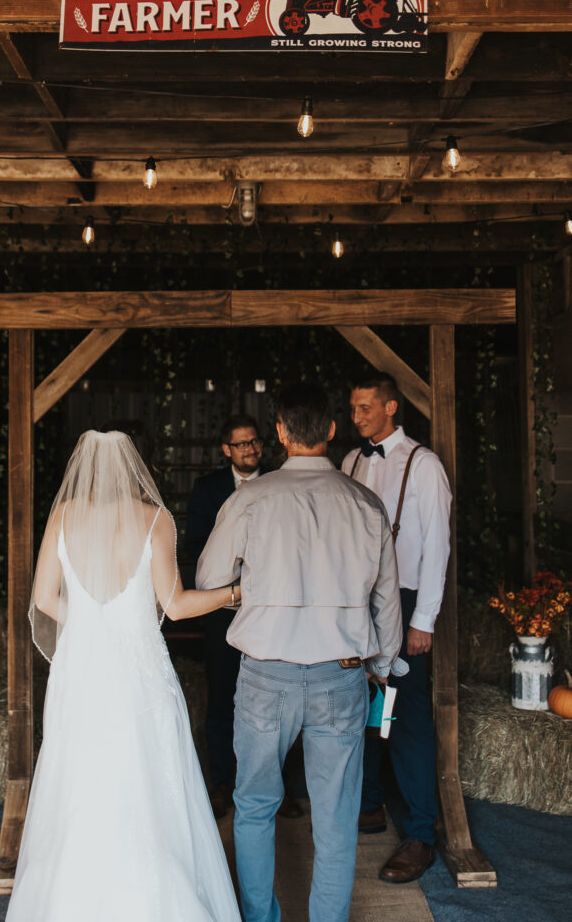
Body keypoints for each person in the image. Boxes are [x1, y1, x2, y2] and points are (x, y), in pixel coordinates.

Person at [6, 430, 242, 922]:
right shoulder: (155, 520)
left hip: (82, 671)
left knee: (80, 782)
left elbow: (45, 599)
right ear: (139, 469)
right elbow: (176, 607)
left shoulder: (64, 516)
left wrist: (93, 627)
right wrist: (235, 593)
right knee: (148, 786)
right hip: (140, 675)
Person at [196, 383, 403, 922]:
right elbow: (387, 603)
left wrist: (255, 587)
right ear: (332, 431)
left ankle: (261, 918)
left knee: (255, 806)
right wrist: (380, 669)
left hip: (266, 675)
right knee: (335, 819)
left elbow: (208, 578)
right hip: (342, 676)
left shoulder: (249, 499)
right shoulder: (366, 504)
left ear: (282, 434)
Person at [343, 372, 451, 884]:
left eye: (365, 407)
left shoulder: (423, 464)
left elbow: (437, 545)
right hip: (357, 600)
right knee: (359, 702)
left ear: (390, 407)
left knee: (405, 714)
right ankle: (368, 805)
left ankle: (420, 835)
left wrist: (423, 619)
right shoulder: (350, 461)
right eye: (353, 408)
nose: (356, 416)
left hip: (406, 600)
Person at [185, 413, 270, 818]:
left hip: (273, 610)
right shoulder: (207, 490)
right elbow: (197, 547)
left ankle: (278, 787)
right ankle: (222, 781)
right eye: (241, 444)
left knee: (274, 699)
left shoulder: (279, 483)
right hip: (223, 609)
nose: (250, 449)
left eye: (254, 441)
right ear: (226, 450)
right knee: (222, 697)